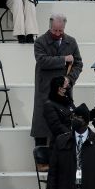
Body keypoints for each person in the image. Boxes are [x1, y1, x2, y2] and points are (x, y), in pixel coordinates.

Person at [31, 13, 83, 146]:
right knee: (42, 126)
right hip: (45, 89)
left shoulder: (71, 41)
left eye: (61, 30)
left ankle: (63, 160)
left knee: (63, 126)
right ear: (50, 27)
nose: (58, 33)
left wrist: (70, 79)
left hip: (63, 91)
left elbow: (78, 64)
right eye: (55, 30)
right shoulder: (40, 41)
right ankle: (41, 160)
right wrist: (63, 59)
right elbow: (42, 61)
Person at [43, 76, 74, 143]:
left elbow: (76, 115)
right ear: (61, 89)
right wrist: (72, 135)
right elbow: (56, 126)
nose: (69, 86)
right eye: (67, 84)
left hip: (73, 141)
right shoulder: (49, 105)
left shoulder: (68, 101)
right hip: (61, 143)